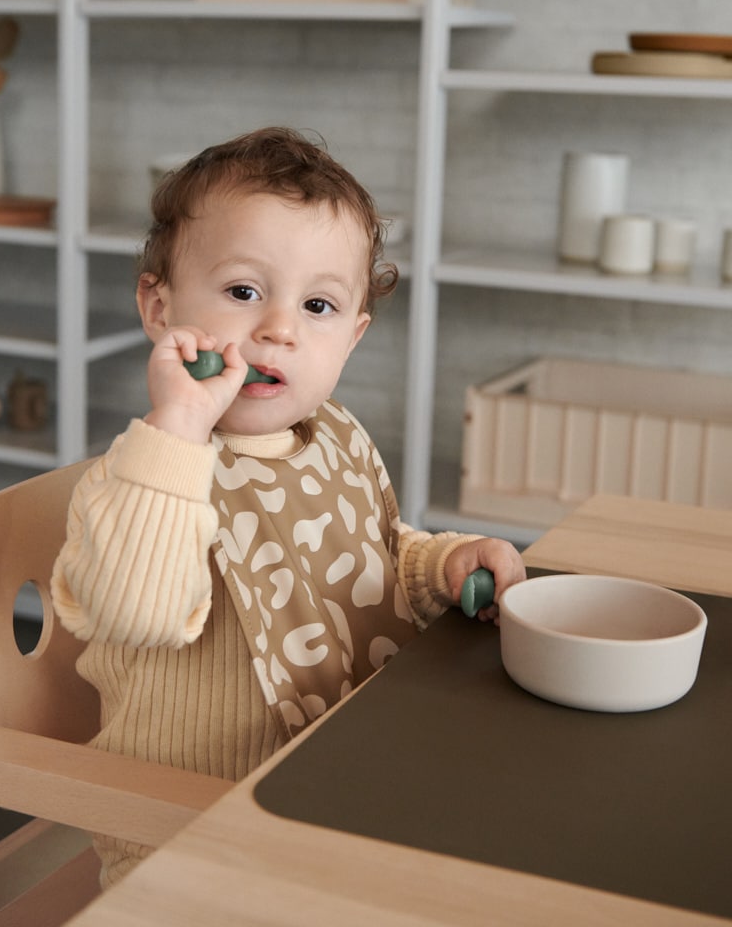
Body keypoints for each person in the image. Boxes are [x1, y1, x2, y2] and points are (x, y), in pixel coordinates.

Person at [52, 125, 526, 887]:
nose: (279, 328)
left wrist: (439, 564)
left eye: (318, 305)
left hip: (340, 800)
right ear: (160, 305)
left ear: (353, 336)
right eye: (243, 292)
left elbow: (367, 549)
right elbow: (137, 612)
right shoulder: (144, 476)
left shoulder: (332, 438)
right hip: (188, 840)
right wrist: (178, 424)